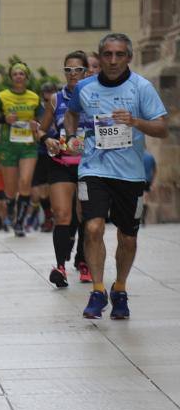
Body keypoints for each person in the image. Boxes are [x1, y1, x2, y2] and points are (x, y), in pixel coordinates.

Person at [63, 33, 167, 319]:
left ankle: (119, 288)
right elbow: (71, 114)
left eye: (119, 54)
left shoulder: (142, 88)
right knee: (93, 227)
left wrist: (135, 121)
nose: (112, 60)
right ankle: (98, 291)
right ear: (99, 56)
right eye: (107, 54)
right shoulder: (84, 87)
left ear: (128, 57)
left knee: (128, 237)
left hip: (130, 175)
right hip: (93, 169)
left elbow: (162, 128)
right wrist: (72, 136)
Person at [37, 51, 93, 288]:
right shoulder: (56, 99)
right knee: (61, 214)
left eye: (77, 70)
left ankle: (83, 261)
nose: (72, 74)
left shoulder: (95, 95)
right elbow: (40, 130)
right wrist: (46, 140)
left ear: (86, 72)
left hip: (89, 166)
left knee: (85, 215)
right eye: (68, 70)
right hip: (61, 164)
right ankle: (60, 267)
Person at [0, 63, 41, 236]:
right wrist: (3, 119)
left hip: (28, 146)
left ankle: (19, 223)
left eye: (21, 74)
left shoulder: (34, 97)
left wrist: (36, 124)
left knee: (25, 182)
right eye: (15, 74)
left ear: (26, 77)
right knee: (10, 190)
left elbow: (42, 121)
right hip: (8, 147)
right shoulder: (1, 96)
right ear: (11, 77)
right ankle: (11, 205)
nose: (18, 76)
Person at [29, 82, 58, 233]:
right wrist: (35, 131)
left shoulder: (62, 105)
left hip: (58, 151)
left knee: (55, 188)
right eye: (46, 98)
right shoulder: (37, 110)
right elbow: (35, 133)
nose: (49, 101)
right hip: (41, 152)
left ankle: (56, 216)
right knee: (41, 190)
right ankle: (48, 216)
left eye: (52, 95)